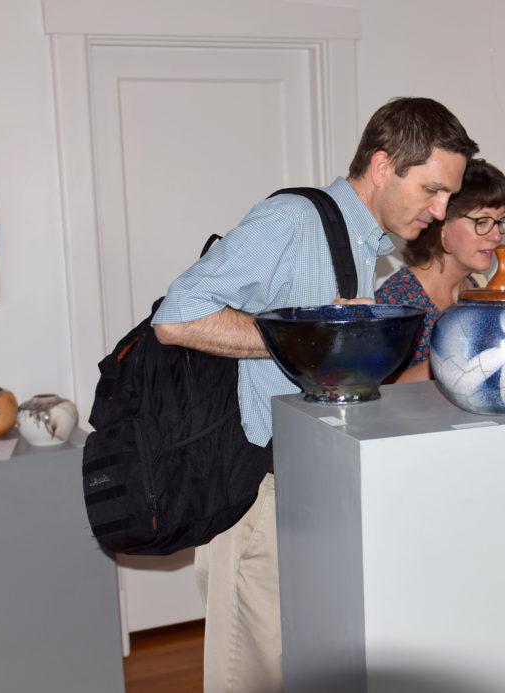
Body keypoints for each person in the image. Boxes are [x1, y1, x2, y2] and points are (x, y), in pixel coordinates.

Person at [152, 97, 478, 692]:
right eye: (432, 190)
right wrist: (316, 338)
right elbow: (178, 318)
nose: (440, 210)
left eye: (448, 197)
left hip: (301, 484)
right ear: (383, 166)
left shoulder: (362, 244)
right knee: (253, 672)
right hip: (255, 494)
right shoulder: (295, 221)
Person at [376, 158, 505, 382]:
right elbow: (379, 390)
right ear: (441, 224)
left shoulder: (475, 286)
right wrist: (450, 359)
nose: (497, 236)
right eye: (482, 222)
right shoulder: (398, 301)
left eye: (500, 221)